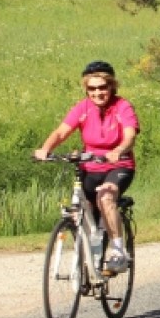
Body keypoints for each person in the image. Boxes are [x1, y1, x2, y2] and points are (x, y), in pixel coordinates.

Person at [34, 61, 139, 274]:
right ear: (86, 89)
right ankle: (89, 251)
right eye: (92, 88)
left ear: (111, 87)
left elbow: (130, 135)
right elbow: (62, 132)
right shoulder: (82, 108)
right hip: (90, 165)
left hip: (117, 165)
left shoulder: (122, 107)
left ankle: (118, 252)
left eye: (102, 87)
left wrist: (119, 149)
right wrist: (45, 149)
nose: (98, 93)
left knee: (106, 198)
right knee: (79, 209)